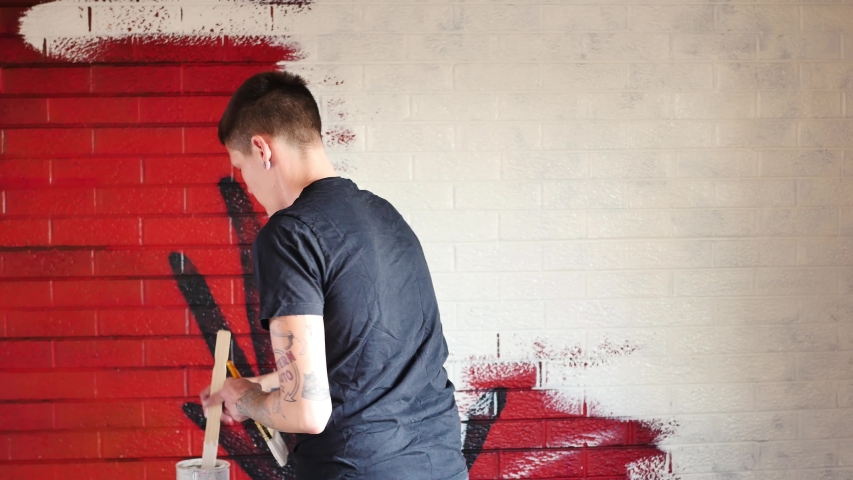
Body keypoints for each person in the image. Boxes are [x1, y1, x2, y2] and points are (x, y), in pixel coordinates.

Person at [200, 70, 469, 480]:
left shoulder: (288, 233)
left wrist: (247, 399)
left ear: (261, 149)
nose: (248, 185)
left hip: (357, 468)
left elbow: (306, 412)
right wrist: (268, 382)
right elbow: (361, 360)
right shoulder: (384, 215)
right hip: (442, 463)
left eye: (241, 167)